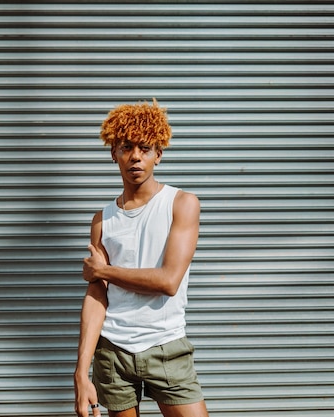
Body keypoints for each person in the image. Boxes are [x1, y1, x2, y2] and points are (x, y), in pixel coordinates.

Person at [74, 99, 209, 417]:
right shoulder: (102, 220)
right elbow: (97, 295)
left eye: (145, 148)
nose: (135, 156)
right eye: (125, 147)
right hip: (113, 352)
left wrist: (104, 269)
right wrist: (81, 373)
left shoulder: (182, 204)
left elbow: (168, 281)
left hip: (166, 345)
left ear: (158, 155)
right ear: (114, 154)